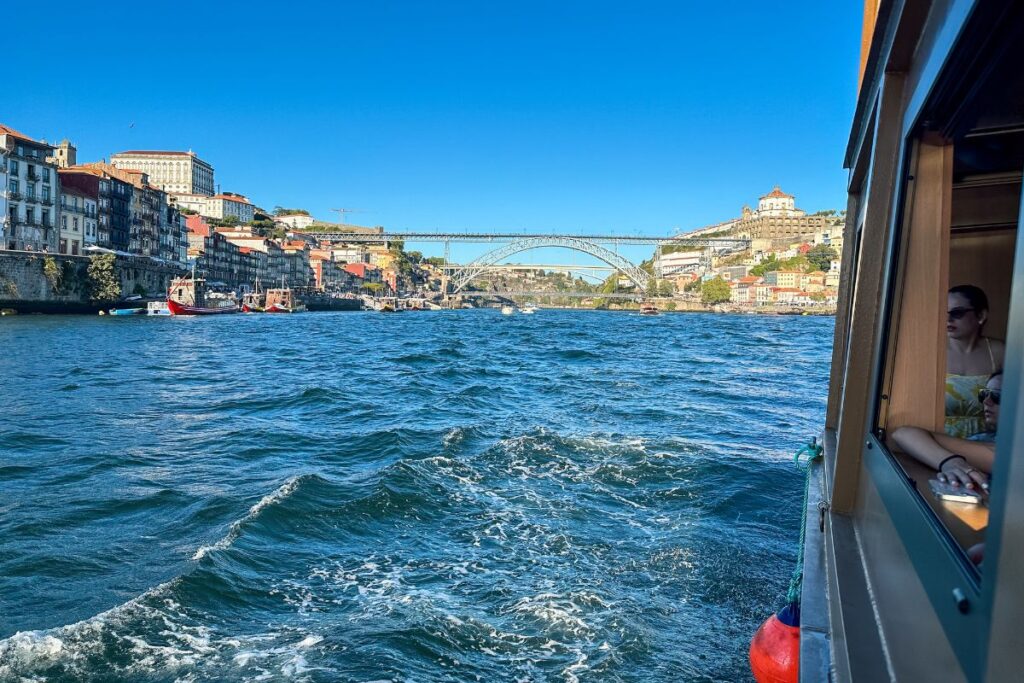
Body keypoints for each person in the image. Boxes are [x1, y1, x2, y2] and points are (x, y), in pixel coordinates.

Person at [892, 371, 1002, 494]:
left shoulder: (1012, 453)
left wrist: (951, 462)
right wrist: (952, 462)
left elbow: (904, 435)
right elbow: (902, 434)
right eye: (984, 394)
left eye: (997, 396)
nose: (986, 401)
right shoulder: (985, 437)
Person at [945, 285, 1004, 438]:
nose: (948, 319)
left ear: (981, 315)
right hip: (938, 445)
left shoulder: (1001, 353)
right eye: (943, 313)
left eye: (957, 313)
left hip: (987, 445)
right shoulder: (929, 352)